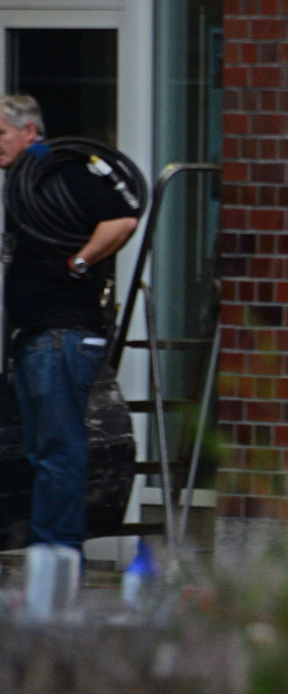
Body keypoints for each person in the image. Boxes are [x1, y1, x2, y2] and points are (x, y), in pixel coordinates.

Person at [0, 94, 140, 555]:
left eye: (2, 133)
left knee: (59, 452)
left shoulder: (63, 171)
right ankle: (51, 555)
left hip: (61, 336)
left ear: (29, 132)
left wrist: (78, 262)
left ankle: (57, 559)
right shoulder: (25, 183)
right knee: (45, 453)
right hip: (38, 337)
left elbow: (122, 219)